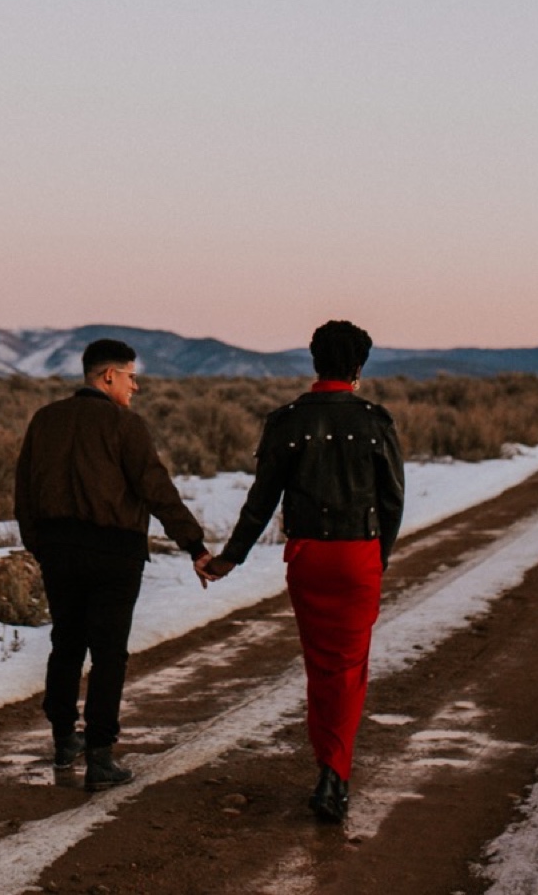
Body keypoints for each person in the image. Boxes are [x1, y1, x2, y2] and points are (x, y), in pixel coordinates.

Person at [197, 320, 405, 823]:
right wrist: (378, 559)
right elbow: (391, 501)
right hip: (358, 556)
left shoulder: (285, 421)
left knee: (321, 666)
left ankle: (329, 768)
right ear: (358, 367)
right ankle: (335, 774)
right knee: (349, 668)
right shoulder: (376, 420)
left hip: (309, 557)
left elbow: (261, 500)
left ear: (315, 362)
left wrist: (229, 558)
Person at [15, 337, 209, 791]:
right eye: (130, 376)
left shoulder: (45, 420)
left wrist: (40, 544)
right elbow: (156, 489)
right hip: (114, 554)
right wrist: (195, 545)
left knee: (66, 644)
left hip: (59, 551)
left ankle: (65, 740)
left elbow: (24, 492)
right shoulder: (125, 425)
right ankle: (100, 756)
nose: (135, 387)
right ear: (107, 376)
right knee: (108, 655)